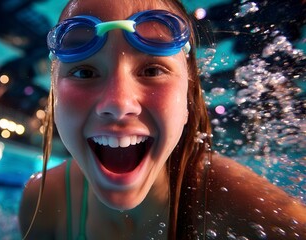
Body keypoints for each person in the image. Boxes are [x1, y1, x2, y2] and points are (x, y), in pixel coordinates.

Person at [19, 0, 306, 239]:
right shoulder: (43, 201)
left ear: (188, 98)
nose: (118, 105)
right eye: (84, 73)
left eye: (153, 71)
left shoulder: (238, 206)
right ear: (54, 95)